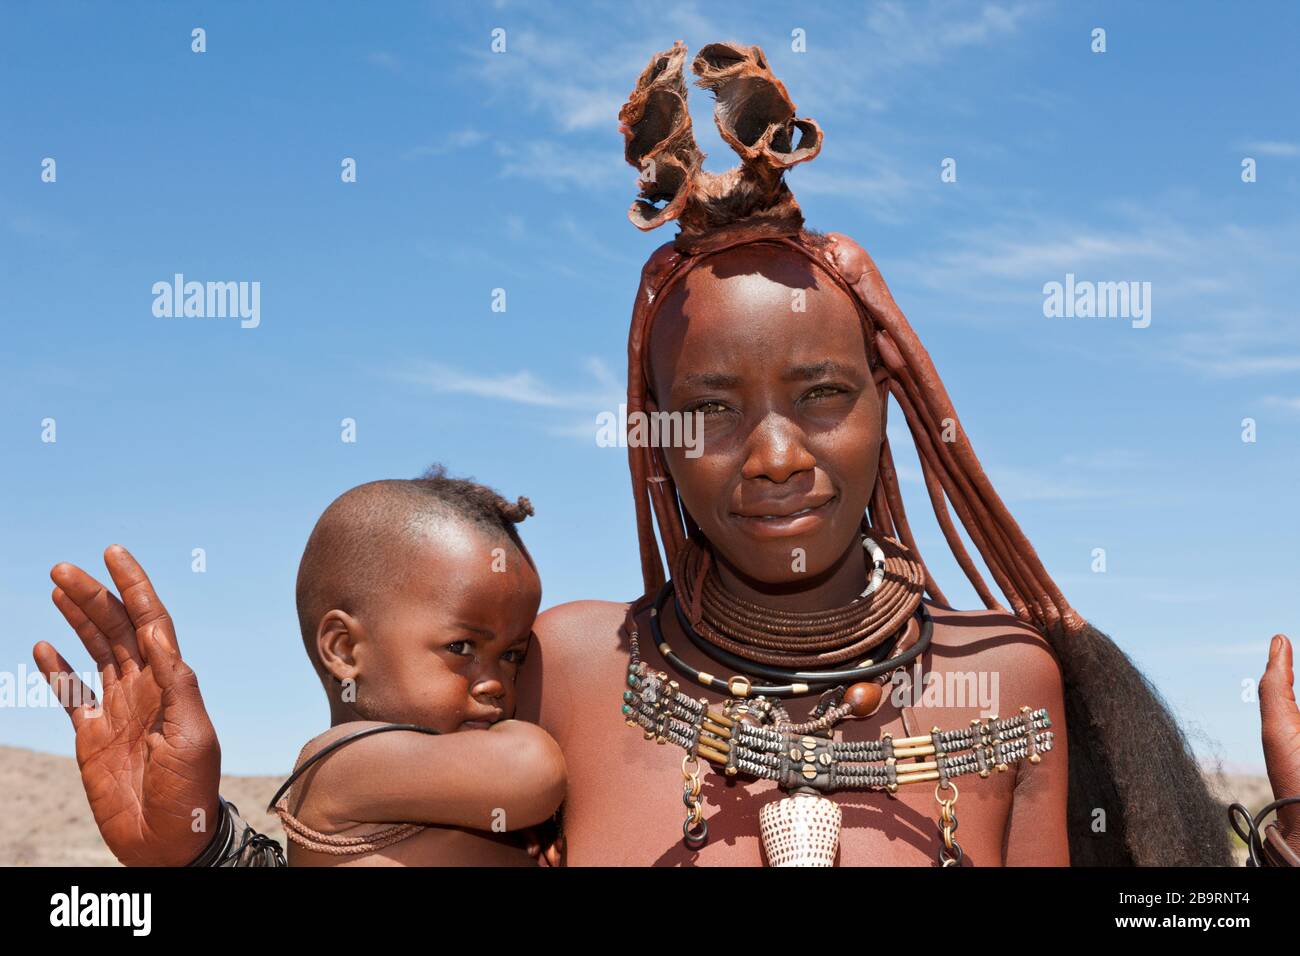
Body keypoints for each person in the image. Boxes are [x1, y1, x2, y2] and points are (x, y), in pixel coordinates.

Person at [33, 40, 1297, 867]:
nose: (776, 453)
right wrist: (192, 857)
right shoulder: (567, 665)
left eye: (823, 392)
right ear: (652, 436)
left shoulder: (1010, 682)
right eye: (710, 406)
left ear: (891, 403)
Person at [34, 467, 566, 867]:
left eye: (513, 655)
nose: (496, 682)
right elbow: (531, 771)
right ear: (343, 649)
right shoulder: (341, 763)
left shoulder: (453, 783)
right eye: (462, 648)